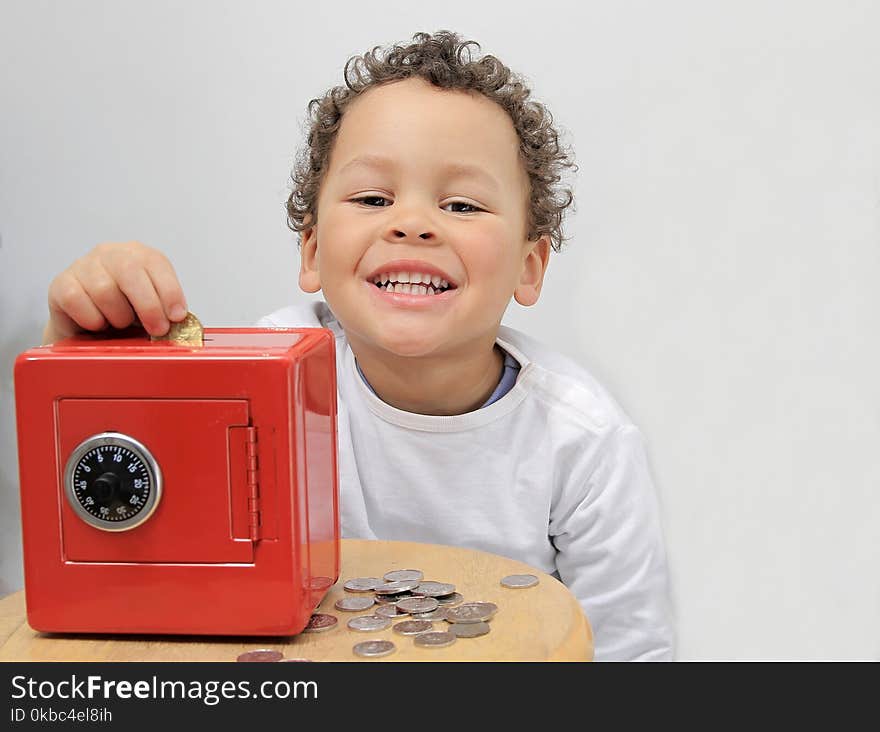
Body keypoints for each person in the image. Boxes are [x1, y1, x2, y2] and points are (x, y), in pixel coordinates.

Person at [42, 30, 674, 660]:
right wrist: (91, 358)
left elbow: (630, 653)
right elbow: (125, 520)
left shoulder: (585, 442)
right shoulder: (255, 377)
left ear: (529, 266)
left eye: (461, 203)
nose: (412, 222)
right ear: (313, 251)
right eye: (373, 197)